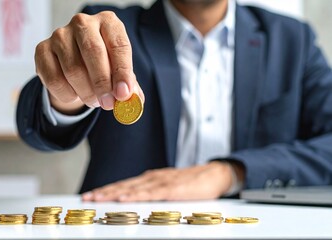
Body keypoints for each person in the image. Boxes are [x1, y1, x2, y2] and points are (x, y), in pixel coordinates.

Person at [16, 0, 332, 202]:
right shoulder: (108, 32)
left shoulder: (293, 40)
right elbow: (40, 128)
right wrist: (64, 95)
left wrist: (230, 172)